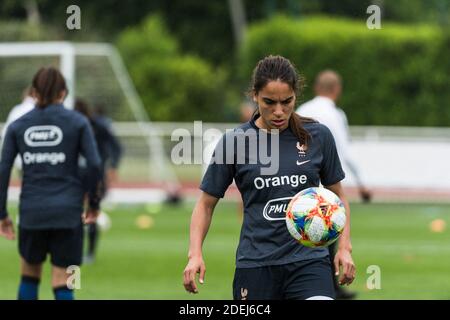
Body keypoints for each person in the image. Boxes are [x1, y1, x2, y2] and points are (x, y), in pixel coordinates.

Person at [183, 55, 355, 300]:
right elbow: (205, 205)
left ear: (296, 95)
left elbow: (338, 196)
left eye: (287, 102)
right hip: (256, 265)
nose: (278, 111)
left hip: (309, 263)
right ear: (254, 95)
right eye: (269, 102)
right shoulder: (235, 142)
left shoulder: (317, 136)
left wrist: (344, 248)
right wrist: (195, 254)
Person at [0, 67, 102, 300]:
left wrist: (2, 213)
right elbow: (95, 164)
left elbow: (3, 169)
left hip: (31, 211)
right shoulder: (78, 122)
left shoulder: (17, 126)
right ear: (63, 93)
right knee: (64, 281)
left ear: (34, 93)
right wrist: (93, 203)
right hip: (68, 212)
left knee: (29, 275)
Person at [296, 70, 370, 299]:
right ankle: (326, 286)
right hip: (325, 181)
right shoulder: (336, 115)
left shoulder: (301, 110)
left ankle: (325, 285)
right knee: (327, 229)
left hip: (298, 179)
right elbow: (344, 152)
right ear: (337, 90)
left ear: (317, 88)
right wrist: (362, 184)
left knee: (301, 227)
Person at [74, 99, 123, 264]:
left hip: (93, 176)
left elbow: (116, 147)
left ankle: (89, 253)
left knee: (90, 211)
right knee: (82, 213)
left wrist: (112, 165)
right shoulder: (73, 125)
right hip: (78, 176)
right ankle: (81, 252)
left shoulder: (97, 127)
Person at [1, 88, 36, 170]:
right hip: (36, 157)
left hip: (17, 154)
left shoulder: (16, 110)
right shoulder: (39, 110)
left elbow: (6, 133)